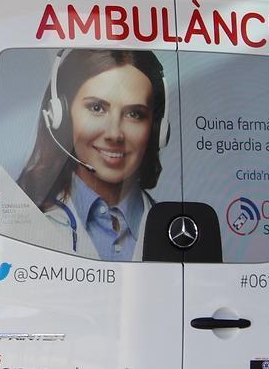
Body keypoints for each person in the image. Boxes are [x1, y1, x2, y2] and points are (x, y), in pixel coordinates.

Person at [16, 49, 167, 261]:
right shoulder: (21, 222)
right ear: (62, 118)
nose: (114, 134)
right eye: (97, 108)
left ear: (156, 128)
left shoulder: (176, 230)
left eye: (134, 114)